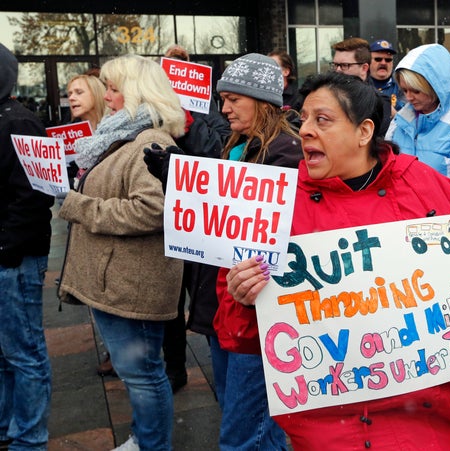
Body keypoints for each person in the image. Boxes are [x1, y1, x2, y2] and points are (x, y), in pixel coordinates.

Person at [219, 71, 450, 450]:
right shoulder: (277, 209)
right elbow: (243, 337)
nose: (305, 132)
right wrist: (243, 297)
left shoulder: (425, 184)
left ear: (364, 131)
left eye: (323, 120)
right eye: (304, 120)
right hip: (340, 425)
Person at [57, 54, 186, 451]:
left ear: (137, 93)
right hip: (118, 280)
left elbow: (154, 210)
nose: (108, 97)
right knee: (137, 373)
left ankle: (152, 444)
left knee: (143, 374)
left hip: (133, 285)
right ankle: (143, 437)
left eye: (115, 89)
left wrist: (79, 206)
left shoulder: (152, 141)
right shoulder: (123, 135)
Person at [210, 53, 303, 450]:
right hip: (229, 308)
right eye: (222, 99)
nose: (225, 108)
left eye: (234, 99)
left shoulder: (285, 153)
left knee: (245, 437)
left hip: (259, 317)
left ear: (262, 102)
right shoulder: (238, 147)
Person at [159, 43, 231, 393]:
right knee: (174, 300)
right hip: (178, 223)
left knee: (206, 300)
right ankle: (175, 367)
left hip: (206, 226)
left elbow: (216, 155)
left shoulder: (210, 115)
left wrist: (189, 123)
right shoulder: (153, 115)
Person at [0, 42, 54, 451]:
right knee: (5, 355)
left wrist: (6, 250)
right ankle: (8, 428)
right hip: (8, 257)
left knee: (25, 353)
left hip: (14, 262)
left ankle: (29, 439)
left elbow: (35, 198)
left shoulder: (19, 122)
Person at [386, 43, 450, 217]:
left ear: (435, 87)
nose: (409, 97)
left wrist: (441, 226)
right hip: (402, 227)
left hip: (445, 232)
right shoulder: (400, 121)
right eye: (405, 90)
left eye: (416, 91)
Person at [331, 37, 392, 135]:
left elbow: (377, 141)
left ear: (364, 68)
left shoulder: (379, 102)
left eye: (345, 65)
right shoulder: (325, 93)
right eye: (335, 65)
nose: (338, 70)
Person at [368, 39, 405, 110]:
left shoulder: (402, 83)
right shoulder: (361, 82)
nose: (383, 63)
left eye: (388, 60)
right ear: (368, 61)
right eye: (378, 59)